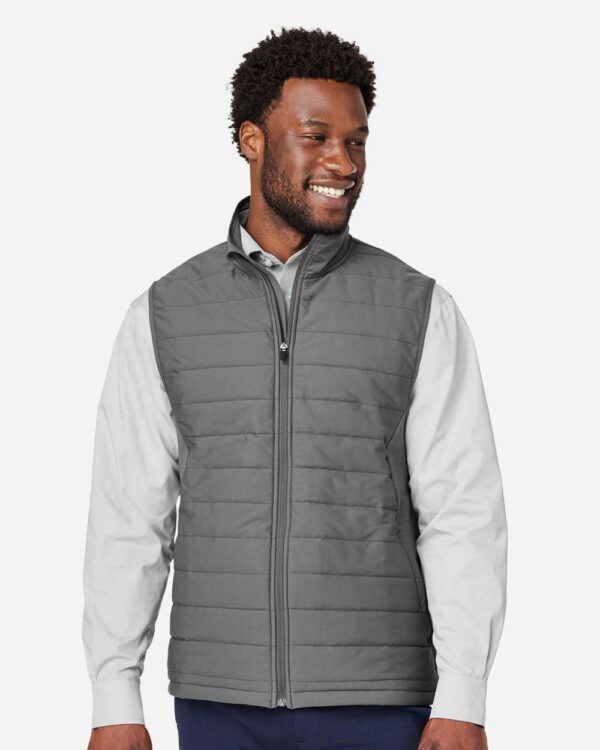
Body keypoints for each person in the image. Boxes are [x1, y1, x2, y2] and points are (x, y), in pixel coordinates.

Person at [83, 26, 507, 750]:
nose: (343, 162)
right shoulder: (165, 312)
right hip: (220, 701)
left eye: (357, 141)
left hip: (379, 700)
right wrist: (113, 696)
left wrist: (464, 694)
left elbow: (462, 511)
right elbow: (129, 516)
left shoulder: (417, 308)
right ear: (252, 141)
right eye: (316, 137)